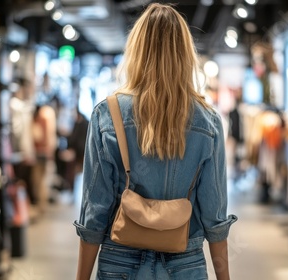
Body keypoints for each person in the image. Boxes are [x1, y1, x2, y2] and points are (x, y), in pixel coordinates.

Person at [74, 3, 237, 280]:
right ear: (185, 54)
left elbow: (95, 212)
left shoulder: (107, 114)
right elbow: (214, 217)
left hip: (120, 262)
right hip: (184, 262)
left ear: (136, 51)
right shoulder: (208, 122)